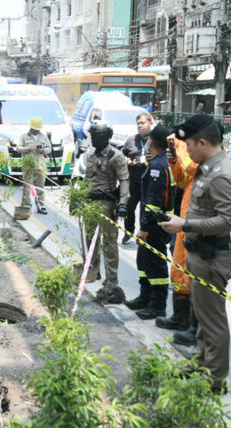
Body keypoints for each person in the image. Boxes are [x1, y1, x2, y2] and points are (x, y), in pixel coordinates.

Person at [159, 114, 231, 393]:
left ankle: (214, 380)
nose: (187, 151)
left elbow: (227, 221)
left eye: (190, 146)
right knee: (202, 317)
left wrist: (187, 224)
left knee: (213, 321)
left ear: (203, 142)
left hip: (211, 257)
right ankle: (201, 363)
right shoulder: (206, 167)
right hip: (198, 255)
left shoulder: (222, 175)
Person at [124, 124, 174, 319]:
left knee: (155, 264)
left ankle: (157, 305)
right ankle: (145, 297)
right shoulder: (161, 162)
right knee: (143, 261)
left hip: (155, 225)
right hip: (154, 223)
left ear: (151, 142)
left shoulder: (157, 167)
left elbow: (153, 202)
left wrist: (145, 228)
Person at [156, 133, 199, 337]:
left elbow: (190, 167)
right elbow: (182, 180)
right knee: (178, 272)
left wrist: (181, 146)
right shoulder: (196, 165)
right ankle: (180, 317)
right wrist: (174, 161)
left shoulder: (206, 165)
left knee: (191, 278)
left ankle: (192, 327)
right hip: (184, 225)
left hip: (194, 229)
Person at [83, 120, 129, 293]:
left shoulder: (116, 156)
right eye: (91, 135)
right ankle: (94, 270)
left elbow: (124, 180)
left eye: (95, 136)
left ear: (103, 136)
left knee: (108, 240)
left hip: (106, 203)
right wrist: (78, 196)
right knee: (90, 238)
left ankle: (112, 277)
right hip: (90, 201)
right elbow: (87, 178)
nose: (92, 139)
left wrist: (123, 203)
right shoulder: (91, 153)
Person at [120, 113, 153, 243]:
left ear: (150, 123)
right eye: (138, 123)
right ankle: (128, 231)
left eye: (143, 123)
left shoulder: (154, 140)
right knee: (129, 208)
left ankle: (143, 234)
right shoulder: (131, 140)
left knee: (145, 211)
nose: (140, 126)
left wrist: (150, 162)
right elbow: (122, 154)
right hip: (133, 179)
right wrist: (127, 160)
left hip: (148, 181)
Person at [14, 116, 52, 219]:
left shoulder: (44, 137)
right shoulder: (23, 137)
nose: (37, 130)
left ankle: (41, 205)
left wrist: (42, 150)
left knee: (40, 186)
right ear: (31, 127)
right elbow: (18, 148)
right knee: (27, 186)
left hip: (40, 165)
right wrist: (28, 148)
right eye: (35, 129)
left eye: (38, 129)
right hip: (28, 166)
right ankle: (26, 205)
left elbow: (49, 148)